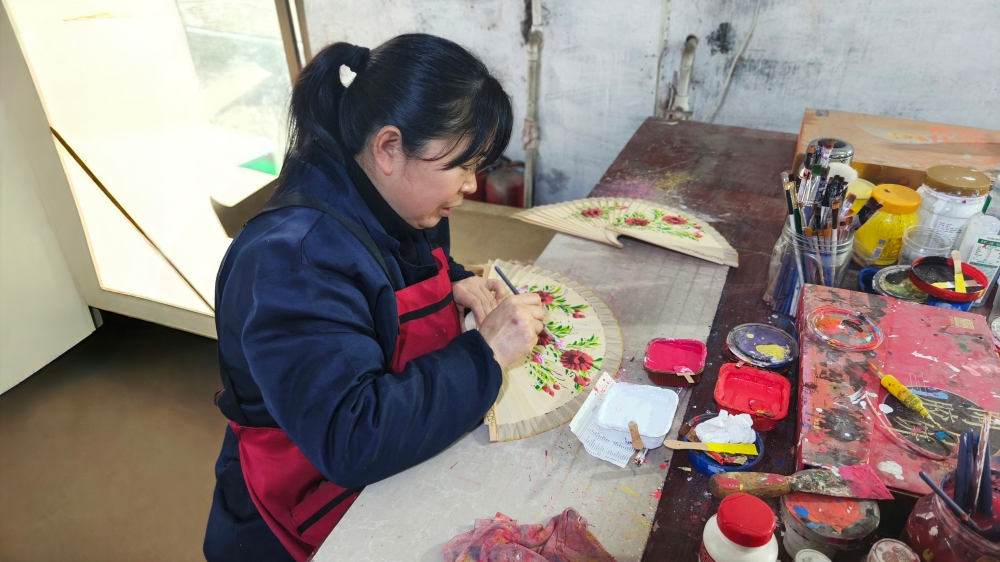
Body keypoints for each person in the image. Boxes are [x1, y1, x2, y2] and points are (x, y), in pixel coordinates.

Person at [203, 34, 546, 562]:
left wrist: (453, 280)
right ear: (389, 148)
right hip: (301, 502)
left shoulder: (398, 196)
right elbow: (351, 438)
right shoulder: (295, 261)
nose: (472, 186)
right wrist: (488, 352)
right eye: (463, 166)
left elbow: (403, 262)